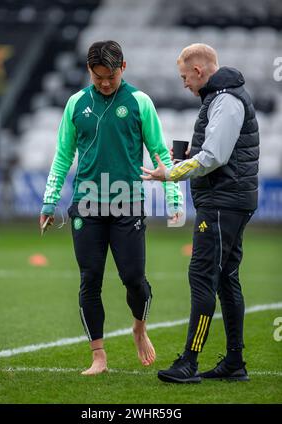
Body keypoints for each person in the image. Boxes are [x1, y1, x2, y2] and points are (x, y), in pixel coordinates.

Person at [40, 40, 183, 375]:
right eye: (98, 76)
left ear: (124, 68)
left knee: (133, 278)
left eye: (111, 76)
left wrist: (175, 197)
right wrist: (49, 201)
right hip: (86, 205)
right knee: (90, 280)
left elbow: (160, 151)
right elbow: (63, 157)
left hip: (128, 202)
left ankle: (139, 328)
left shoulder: (139, 102)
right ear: (89, 71)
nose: (105, 83)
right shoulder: (76, 104)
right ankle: (98, 355)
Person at [141, 43, 259, 383]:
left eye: (184, 77)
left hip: (223, 203)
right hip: (230, 199)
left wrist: (172, 173)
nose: (184, 85)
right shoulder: (224, 97)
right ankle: (234, 363)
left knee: (203, 276)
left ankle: (189, 362)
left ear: (198, 70)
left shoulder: (225, 99)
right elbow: (219, 151)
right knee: (225, 278)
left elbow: (216, 157)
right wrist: (193, 155)